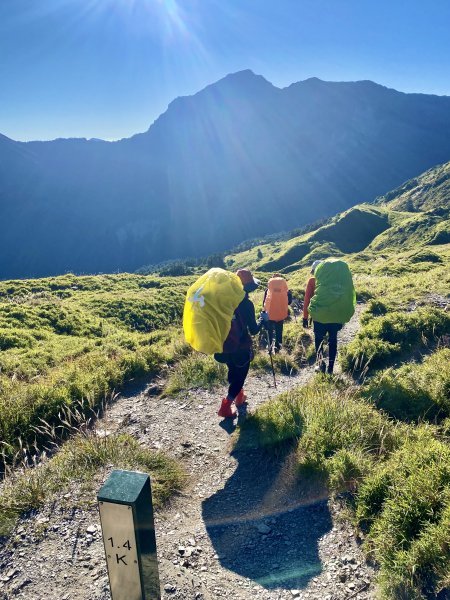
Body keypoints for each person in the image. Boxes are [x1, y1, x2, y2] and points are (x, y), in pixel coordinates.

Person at [215, 269, 268, 419]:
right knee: (240, 377)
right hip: (241, 348)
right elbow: (254, 330)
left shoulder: (224, 303)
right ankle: (225, 407)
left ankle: (240, 397)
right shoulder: (246, 304)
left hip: (225, 347)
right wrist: (263, 320)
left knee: (233, 372)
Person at [303, 260, 341, 375]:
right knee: (333, 340)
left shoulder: (312, 281)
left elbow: (307, 300)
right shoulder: (334, 281)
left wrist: (305, 317)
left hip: (318, 318)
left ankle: (320, 364)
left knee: (319, 341)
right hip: (334, 317)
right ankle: (331, 367)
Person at [263, 273, 293, 352]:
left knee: (270, 331)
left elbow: (264, 302)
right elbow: (289, 302)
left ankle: (269, 347)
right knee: (279, 331)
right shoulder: (286, 290)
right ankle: (278, 348)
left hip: (270, 314)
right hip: (280, 314)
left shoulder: (268, 290)